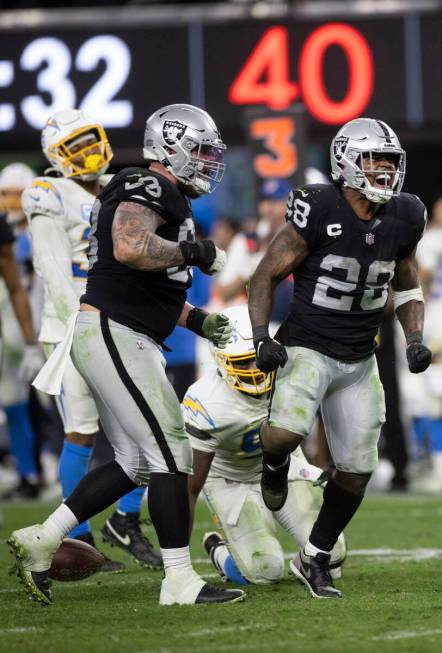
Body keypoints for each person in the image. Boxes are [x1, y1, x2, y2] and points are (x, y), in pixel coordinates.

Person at [9, 103, 244, 607]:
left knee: (137, 461)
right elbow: (131, 248)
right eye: (199, 151)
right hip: (116, 332)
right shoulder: (148, 184)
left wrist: (197, 319)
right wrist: (195, 252)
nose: (207, 161)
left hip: (125, 329)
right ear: (172, 149)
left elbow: (143, 284)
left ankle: (42, 540)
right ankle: (179, 579)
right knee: (170, 452)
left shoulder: (159, 192)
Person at [248, 118, 432, 599]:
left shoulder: (406, 214)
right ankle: (272, 463)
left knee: (356, 470)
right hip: (307, 343)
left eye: (391, 162)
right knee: (285, 434)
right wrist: (260, 337)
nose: (386, 170)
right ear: (347, 160)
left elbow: (407, 280)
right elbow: (263, 275)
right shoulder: (318, 206)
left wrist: (413, 336)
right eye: (376, 160)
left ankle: (314, 557)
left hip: (359, 355)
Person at [21, 109, 161, 571]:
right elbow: (53, 271)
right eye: (73, 146)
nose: (85, 153)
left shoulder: (118, 187)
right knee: (81, 430)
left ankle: (124, 519)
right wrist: (81, 324)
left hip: (119, 320)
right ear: (56, 157)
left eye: (88, 141)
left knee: (149, 425)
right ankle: (78, 539)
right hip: (72, 328)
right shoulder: (48, 193)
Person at [185, 305, 346, 586]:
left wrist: (312, 470)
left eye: (256, 360)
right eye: (243, 363)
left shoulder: (287, 373)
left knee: (331, 552)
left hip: (281, 463)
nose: (254, 370)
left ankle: (303, 565)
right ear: (221, 361)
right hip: (230, 479)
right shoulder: (207, 401)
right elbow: (190, 484)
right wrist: (178, 559)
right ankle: (219, 548)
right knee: (265, 570)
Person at [0, 163, 44, 498]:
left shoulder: (40, 232)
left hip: (28, 328)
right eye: (5, 194)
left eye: (17, 195)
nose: (11, 202)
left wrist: (31, 341)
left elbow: (19, 288)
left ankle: (34, 471)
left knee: (33, 405)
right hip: (16, 329)